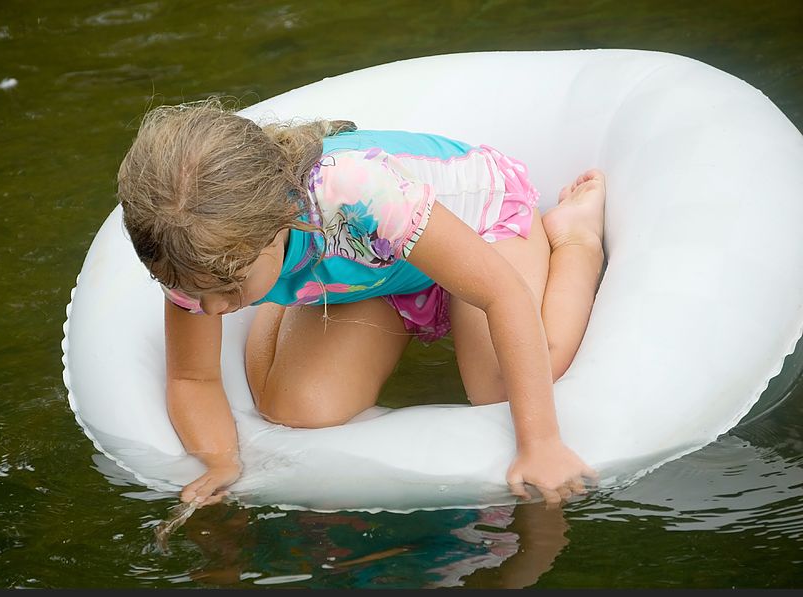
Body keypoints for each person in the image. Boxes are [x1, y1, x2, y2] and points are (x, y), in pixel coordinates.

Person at [118, 100, 604, 508]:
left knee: (499, 384)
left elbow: (503, 294)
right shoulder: (190, 258)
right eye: (200, 296)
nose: (217, 310)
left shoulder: (355, 190)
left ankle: (575, 237)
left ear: (280, 222)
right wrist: (221, 460)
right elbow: (192, 376)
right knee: (297, 407)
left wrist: (540, 443)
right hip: (377, 272)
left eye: (231, 290)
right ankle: (314, 292)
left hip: (479, 228)